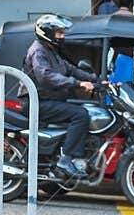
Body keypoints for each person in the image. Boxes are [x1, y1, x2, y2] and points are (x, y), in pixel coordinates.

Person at [22, 13, 97, 178]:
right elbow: (46, 76)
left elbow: (70, 68)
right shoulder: (38, 51)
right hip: (37, 102)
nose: (62, 36)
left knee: (86, 110)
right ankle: (66, 160)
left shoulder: (51, 51)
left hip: (49, 100)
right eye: (59, 32)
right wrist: (77, 84)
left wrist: (96, 80)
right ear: (47, 32)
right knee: (80, 115)